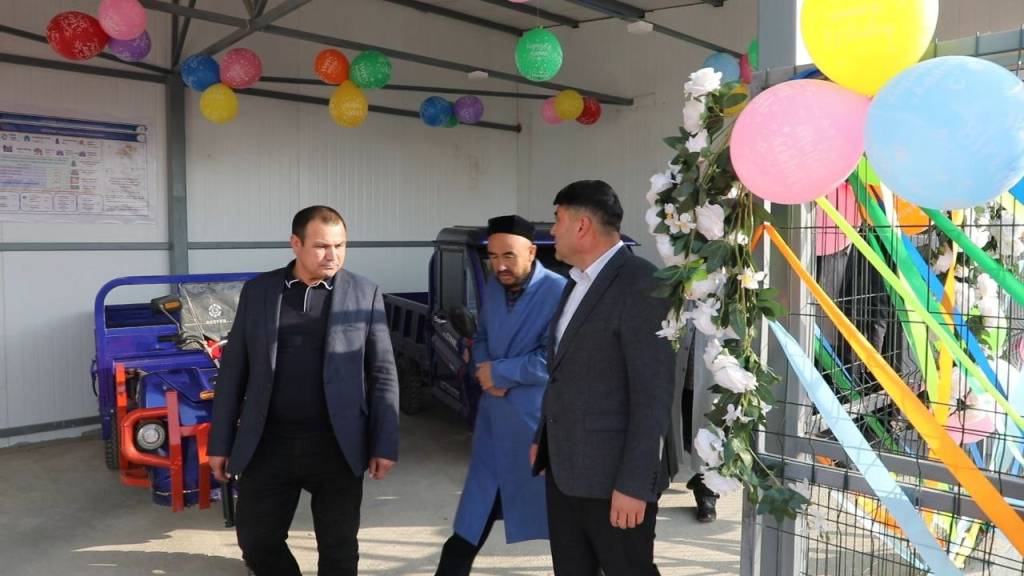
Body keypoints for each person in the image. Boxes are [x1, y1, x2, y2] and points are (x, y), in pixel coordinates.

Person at [209, 205, 400, 576]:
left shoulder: (364, 293)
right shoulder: (259, 292)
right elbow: (233, 372)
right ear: (295, 243)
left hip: (336, 445)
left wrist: (384, 442)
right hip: (269, 442)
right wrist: (220, 442)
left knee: (339, 549)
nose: (333, 255)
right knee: (256, 541)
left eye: (340, 246)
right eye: (322, 246)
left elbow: (382, 373)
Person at [531, 180, 676, 576]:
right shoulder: (576, 282)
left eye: (557, 220)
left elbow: (653, 396)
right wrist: (543, 437)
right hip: (566, 471)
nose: (552, 231)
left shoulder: (641, 283)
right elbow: (564, 372)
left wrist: (634, 485)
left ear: (582, 226)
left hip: (614, 481)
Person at [435, 215, 567, 576]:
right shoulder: (494, 287)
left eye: (509, 255)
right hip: (493, 425)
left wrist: (500, 373)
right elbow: (482, 338)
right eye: (493, 257)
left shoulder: (559, 291)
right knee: (468, 526)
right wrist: (484, 370)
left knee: (566, 533)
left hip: (535, 429)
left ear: (532, 251)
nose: (500, 265)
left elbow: (556, 359)